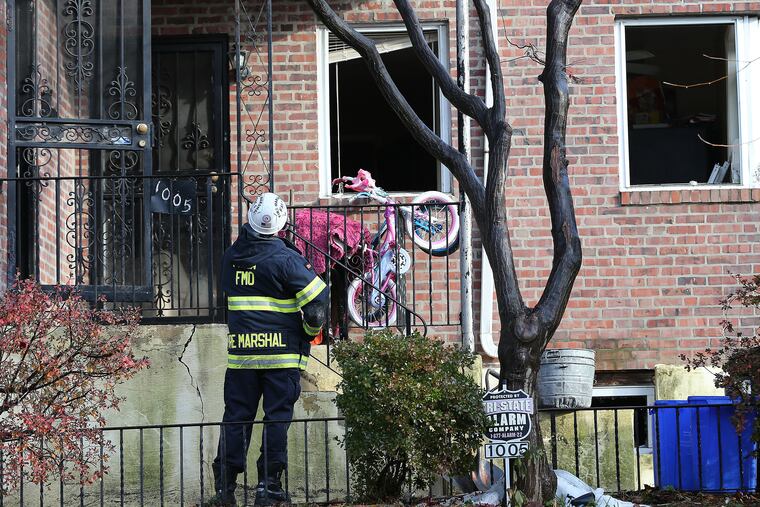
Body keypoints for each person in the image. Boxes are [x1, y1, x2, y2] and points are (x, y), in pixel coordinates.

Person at [209, 192, 328, 506]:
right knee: (276, 421)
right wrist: (309, 331)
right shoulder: (285, 258)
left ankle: (225, 489)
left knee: (236, 419)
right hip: (281, 358)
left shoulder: (230, 257)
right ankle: (268, 489)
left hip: (242, 359)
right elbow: (317, 307)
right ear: (282, 225)